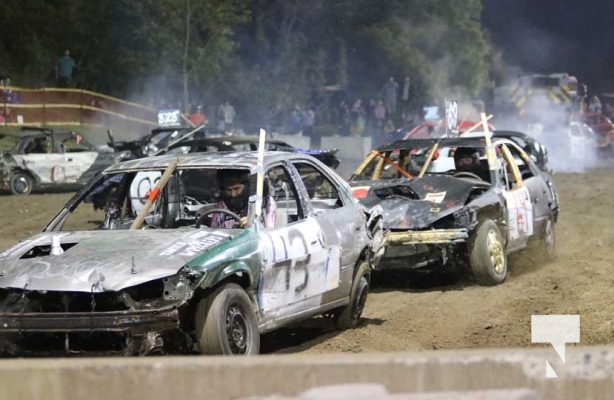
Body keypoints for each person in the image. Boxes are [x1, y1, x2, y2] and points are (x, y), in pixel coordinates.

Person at [209, 169, 276, 229]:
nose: (233, 194)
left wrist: (252, 223)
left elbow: (269, 230)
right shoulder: (221, 205)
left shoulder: (266, 203)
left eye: (237, 188)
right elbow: (214, 229)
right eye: (228, 190)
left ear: (247, 186)